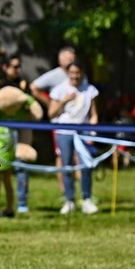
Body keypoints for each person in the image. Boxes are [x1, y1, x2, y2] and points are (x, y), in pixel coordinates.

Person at [0, 86, 43, 218]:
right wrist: (28, 98)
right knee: (8, 183)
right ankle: (10, 209)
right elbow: (29, 112)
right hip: (8, 156)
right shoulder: (14, 116)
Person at [48, 60, 99, 215]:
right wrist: (64, 101)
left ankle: (87, 199)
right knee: (67, 166)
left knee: (86, 166)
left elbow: (94, 115)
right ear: (68, 73)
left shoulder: (90, 90)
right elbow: (51, 114)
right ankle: (69, 200)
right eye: (72, 73)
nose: (75, 76)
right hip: (64, 132)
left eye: (77, 73)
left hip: (83, 131)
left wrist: (92, 132)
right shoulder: (59, 89)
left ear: (82, 73)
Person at [31, 46, 82, 196]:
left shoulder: (79, 74)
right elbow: (33, 87)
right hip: (60, 123)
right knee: (62, 156)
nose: (72, 60)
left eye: (73, 57)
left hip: (78, 122)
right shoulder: (55, 75)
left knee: (79, 155)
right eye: (68, 57)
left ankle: (83, 194)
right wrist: (50, 105)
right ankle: (65, 192)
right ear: (60, 60)